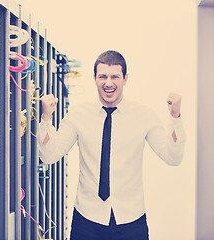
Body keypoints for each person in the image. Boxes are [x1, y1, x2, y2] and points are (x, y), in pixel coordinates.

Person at [37, 50, 186, 240]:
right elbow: (49, 156)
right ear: (94, 78)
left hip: (132, 221)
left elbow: (173, 158)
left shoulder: (144, 115)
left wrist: (175, 119)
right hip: (86, 220)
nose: (108, 83)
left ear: (125, 78)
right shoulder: (78, 114)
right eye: (103, 76)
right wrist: (46, 119)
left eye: (115, 76)